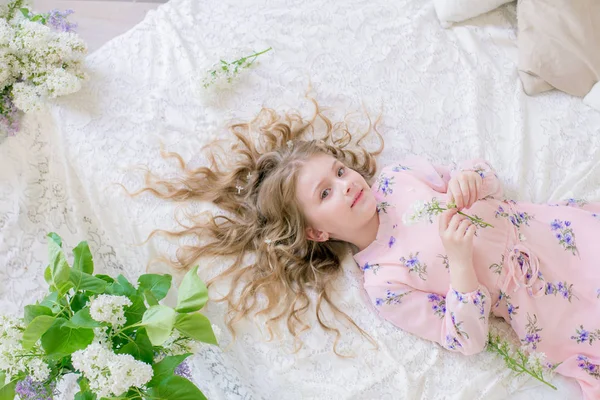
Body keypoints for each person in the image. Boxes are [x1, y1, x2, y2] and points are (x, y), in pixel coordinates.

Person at [139, 100, 600, 399]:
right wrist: (461, 268)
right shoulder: (384, 281)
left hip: (561, 233)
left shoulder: (400, 177)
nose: (346, 185)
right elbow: (466, 340)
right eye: (325, 195)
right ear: (316, 233)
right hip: (547, 304)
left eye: (338, 172)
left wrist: (470, 180)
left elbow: (485, 176)